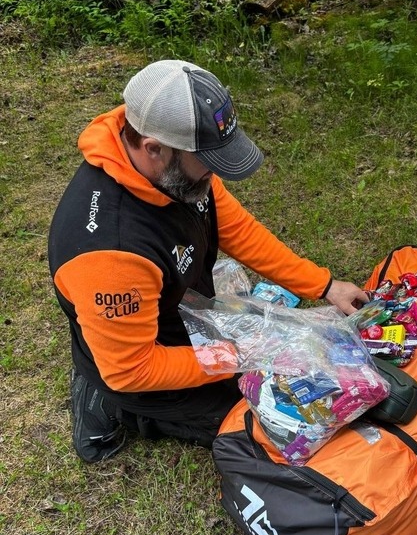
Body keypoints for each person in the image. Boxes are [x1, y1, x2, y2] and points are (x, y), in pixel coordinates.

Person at [48, 59, 368, 464]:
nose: (216, 173)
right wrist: (236, 356)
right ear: (154, 148)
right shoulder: (111, 255)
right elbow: (132, 369)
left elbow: (237, 229)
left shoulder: (174, 170)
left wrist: (324, 286)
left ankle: (111, 351)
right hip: (142, 367)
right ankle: (110, 401)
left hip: (178, 316)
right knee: (273, 420)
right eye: (208, 161)